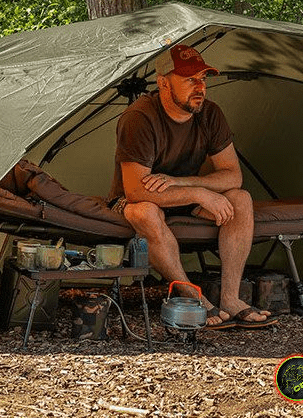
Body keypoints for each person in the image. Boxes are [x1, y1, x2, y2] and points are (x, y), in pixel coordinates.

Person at [108, 44, 273, 329]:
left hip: (184, 197)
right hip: (134, 200)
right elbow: (135, 191)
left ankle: (230, 298)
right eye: (189, 79)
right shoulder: (139, 118)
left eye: (203, 79)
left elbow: (233, 175)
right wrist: (198, 193)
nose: (200, 87)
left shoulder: (210, 114)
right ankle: (192, 295)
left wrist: (185, 184)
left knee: (241, 199)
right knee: (145, 211)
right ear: (163, 83)